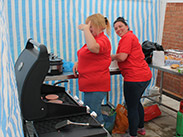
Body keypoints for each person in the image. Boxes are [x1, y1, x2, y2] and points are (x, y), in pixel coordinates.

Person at [111, 17, 152, 137]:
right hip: (144, 75)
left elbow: (122, 57)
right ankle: (140, 128)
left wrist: (111, 56)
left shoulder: (127, 37)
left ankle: (133, 134)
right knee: (136, 102)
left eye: (120, 26)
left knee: (131, 106)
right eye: (116, 28)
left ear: (127, 26)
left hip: (135, 78)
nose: (118, 29)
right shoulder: (130, 37)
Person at [73, 13, 111, 124]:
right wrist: (78, 62)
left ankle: (100, 131)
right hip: (89, 84)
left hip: (96, 86)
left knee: (93, 115)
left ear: (99, 26)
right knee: (91, 112)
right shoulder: (95, 39)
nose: (88, 29)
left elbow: (93, 48)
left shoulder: (103, 40)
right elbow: (87, 54)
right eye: (87, 26)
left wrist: (85, 29)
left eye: (90, 26)